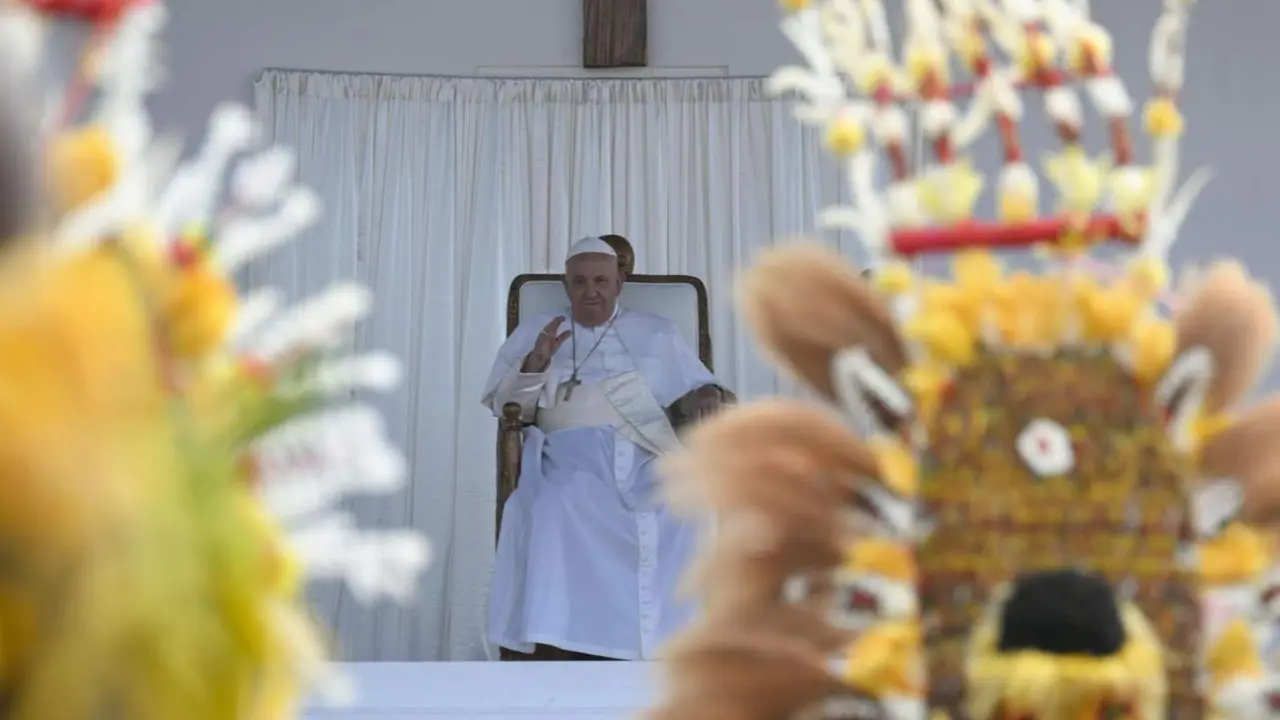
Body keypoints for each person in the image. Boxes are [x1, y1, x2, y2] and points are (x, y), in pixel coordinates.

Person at [481, 236, 729, 661]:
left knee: (687, 507)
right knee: (557, 504)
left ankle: (681, 639)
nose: (590, 291)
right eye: (579, 282)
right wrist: (537, 363)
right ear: (566, 285)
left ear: (619, 283)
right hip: (569, 452)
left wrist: (707, 393)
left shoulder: (657, 332)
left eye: (601, 281)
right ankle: (559, 639)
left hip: (646, 451)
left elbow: (696, 387)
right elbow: (509, 409)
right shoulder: (538, 331)